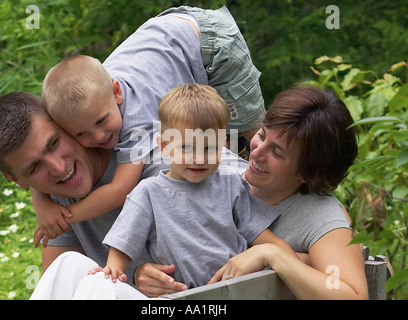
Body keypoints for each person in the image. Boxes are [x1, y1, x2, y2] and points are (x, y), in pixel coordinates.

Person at [32, 5, 265, 245]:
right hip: (163, 38)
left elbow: (119, 191)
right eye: (81, 133)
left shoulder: (137, 119)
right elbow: (35, 148)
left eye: (102, 121)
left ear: (116, 93)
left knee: (249, 136)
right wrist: (40, 200)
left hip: (208, 42)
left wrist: (63, 219)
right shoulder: (91, 98)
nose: (99, 136)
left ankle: (282, 193)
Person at [134, 84, 369, 299]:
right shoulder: (208, 167)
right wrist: (144, 273)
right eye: (262, 135)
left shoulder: (322, 219)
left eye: (277, 153)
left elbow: (353, 295)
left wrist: (272, 255)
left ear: (307, 172)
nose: (255, 153)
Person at [87, 84, 295, 289]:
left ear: (222, 144)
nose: (198, 158)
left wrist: (287, 258)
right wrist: (112, 269)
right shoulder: (148, 193)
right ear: (164, 146)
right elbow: (124, 244)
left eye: (209, 147)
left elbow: (260, 234)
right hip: (182, 294)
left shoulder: (231, 184)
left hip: (236, 288)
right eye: (186, 147)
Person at [0, 92, 167, 274]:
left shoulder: (159, 164)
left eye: (53, 144)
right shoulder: (55, 204)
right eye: (34, 168)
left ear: (65, 124)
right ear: (15, 179)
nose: (59, 168)